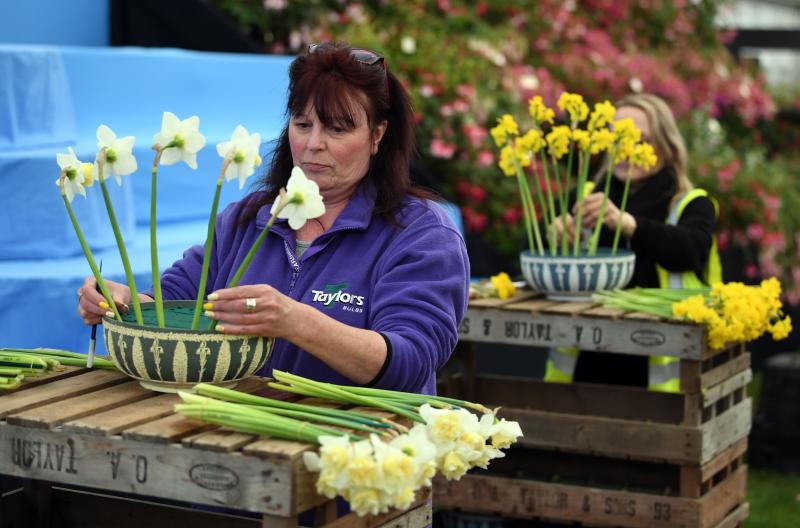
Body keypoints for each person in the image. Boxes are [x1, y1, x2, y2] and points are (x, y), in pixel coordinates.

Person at [77, 42, 470, 396]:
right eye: (302, 124)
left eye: (337, 128)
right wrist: (125, 301)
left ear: (377, 136)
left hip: (362, 454)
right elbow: (176, 299)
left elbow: (410, 361)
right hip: (244, 442)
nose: (314, 144)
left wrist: (293, 320)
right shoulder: (249, 218)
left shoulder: (420, 233)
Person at [545, 93, 721, 391]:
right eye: (617, 139)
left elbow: (690, 251)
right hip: (584, 369)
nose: (625, 150)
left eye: (640, 140)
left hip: (658, 374)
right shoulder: (588, 193)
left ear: (667, 148)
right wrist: (554, 232)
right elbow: (528, 242)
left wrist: (629, 224)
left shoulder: (689, 203)